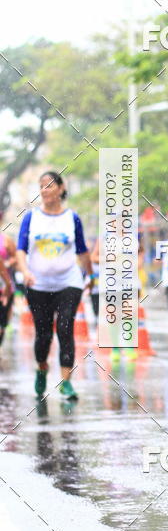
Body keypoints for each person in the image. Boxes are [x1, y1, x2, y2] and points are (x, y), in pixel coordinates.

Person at [16, 172, 92, 401]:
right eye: (41, 186)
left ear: (61, 188)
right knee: (43, 334)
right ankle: (41, 369)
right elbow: (21, 249)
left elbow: (82, 250)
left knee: (66, 327)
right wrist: (25, 272)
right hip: (37, 284)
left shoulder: (72, 218)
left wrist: (91, 275)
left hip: (68, 282)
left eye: (49, 185)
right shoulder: (31, 218)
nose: (45, 190)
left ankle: (66, 382)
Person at [0, 220, 17, 347]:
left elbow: (16, 257)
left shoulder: (6, 240)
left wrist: (8, 263)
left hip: (4, 287)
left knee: (2, 321)